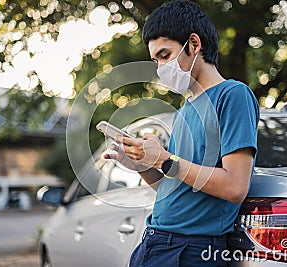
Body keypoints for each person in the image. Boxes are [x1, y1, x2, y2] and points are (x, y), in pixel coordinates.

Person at [104, 0, 260, 266]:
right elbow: (174, 187)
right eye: (155, 60)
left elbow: (234, 187)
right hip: (155, 243)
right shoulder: (184, 110)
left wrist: (163, 160)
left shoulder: (233, 95)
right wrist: (142, 166)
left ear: (194, 44)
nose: (160, 68)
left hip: (190, 249)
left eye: (165, 56)